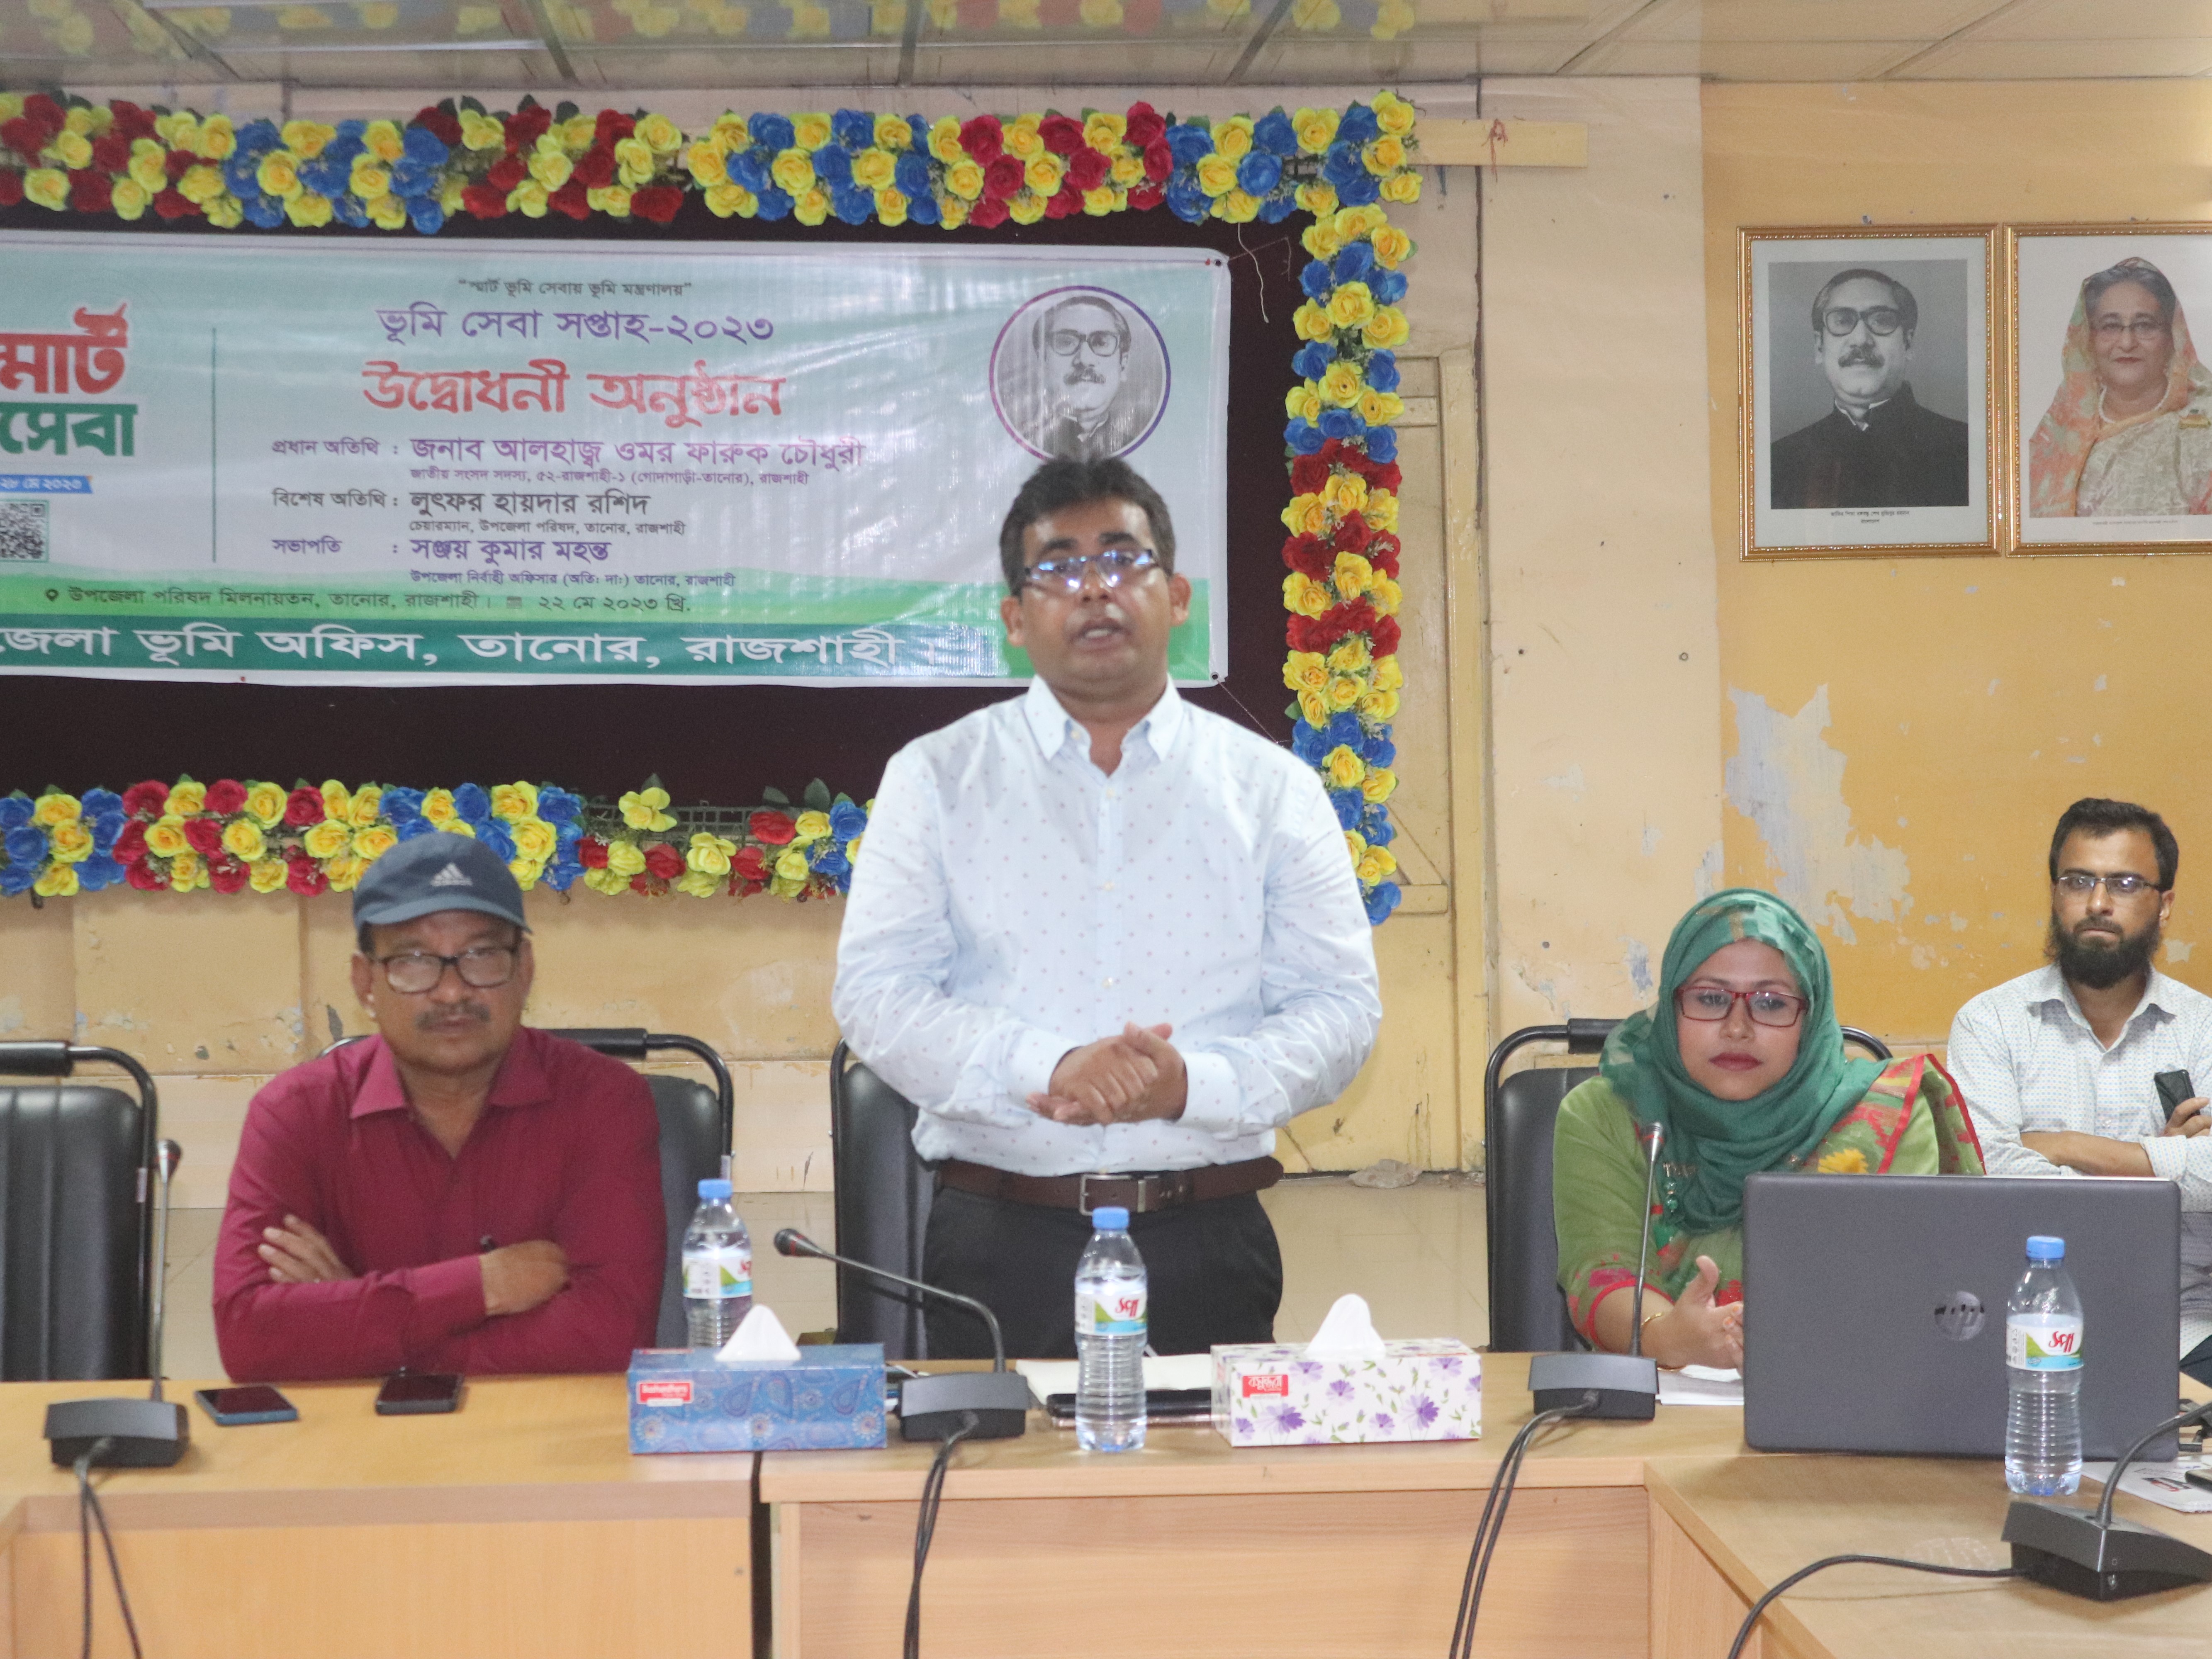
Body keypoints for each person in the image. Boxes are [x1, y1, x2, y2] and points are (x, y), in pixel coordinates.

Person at [833, 455, 1381, 1359]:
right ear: (1015, 619)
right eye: (1056, 568)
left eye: (1122, 559)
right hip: (998, 1242)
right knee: (997, 1460)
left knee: (1204, 1463)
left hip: (1206, 1239)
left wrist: (1189, 1086)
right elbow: (876, 995)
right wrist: (1050, 1064)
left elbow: (1339, 1010)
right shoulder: (934, 778)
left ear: (1177, 597)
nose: (1093, 588)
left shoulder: (1271, 789)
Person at [213, 833, 665, 1381]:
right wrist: (483, 1285)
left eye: (481, 955)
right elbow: (249, 1337)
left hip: (548, 1428)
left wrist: (357, 1321)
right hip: (361, 1431)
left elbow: (611, 1333)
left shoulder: (602, 1101)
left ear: (525, 970)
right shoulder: (295, 1114)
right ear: (365, 983)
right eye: (414, 961)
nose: (452, 992)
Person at [1554, 888, 1983, 1370]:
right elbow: (1601, 1270)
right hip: (1658, 1402)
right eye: (1710, 998)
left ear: (1810, 1016)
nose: (1737, 1027)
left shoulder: (1885, 1116)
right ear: (1671, 1007)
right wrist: (1666, 1338)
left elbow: (1900, 1288)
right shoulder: (1607, 1114)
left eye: (1771, 1003)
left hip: (1842, 1389)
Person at [1947, 797, 2212, 1385]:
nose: (2097, 902)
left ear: (2164, 904)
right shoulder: (1990, 1023)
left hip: (2182, 1325)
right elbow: (1986, 1168)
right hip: (2026, 1322)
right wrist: (2162, 1163)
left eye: (2124, 883)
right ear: (2054, 894)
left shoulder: (2203, 1029)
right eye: (2077, 881)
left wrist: (2066, 1145)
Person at [1770, 267, 1971, 510]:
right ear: (1819, 347)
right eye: (1842, 321)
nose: (1861, 340)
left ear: (1908, 343)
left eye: (1882, 321)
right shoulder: (1778, 462)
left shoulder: (1966, 451)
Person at [2028, 257, 2212, 517]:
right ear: (2088, 340)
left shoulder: (2203, 428)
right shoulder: (2058, 433)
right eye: (2111, 326)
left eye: (2145, 325)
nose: (2127, 343)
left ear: (2172, 338)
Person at [1028, 294, 1149, 461]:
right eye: (1066, 342)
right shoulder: (1024, 445)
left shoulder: (1140, 453)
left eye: (1101, 342)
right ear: (1042, 362)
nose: (1084, 360)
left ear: (1123, 364)